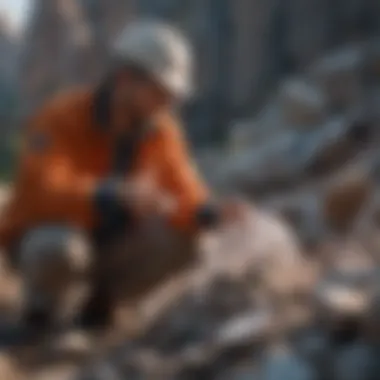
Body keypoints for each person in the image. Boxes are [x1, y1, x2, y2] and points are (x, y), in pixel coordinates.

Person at [0, 20, 246, 330]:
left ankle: (99, 308)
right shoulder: (59, 117)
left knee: (190, 242)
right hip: (44, 241)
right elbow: (40, 192)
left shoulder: (162, 131)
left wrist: (209, 213)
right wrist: (111, 194)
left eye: (172, 95)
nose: (167, 102)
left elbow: (186, 192)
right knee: (59, 248)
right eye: (159, 91)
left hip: (108, 243)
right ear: (125, 79)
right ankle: (41, 314)